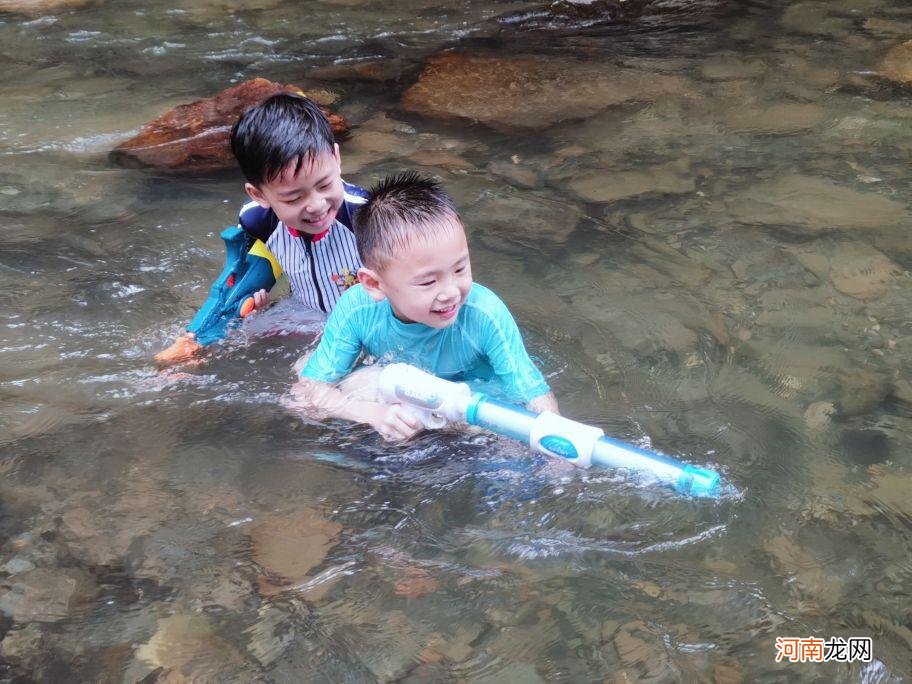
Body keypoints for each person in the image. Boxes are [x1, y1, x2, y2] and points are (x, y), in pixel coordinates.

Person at [288, 171, 559, 441]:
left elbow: (534, 396)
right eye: (428, 282)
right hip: (402, 395)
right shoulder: (358, 310)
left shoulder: (484, 313)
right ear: (374, 284)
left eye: (460, 268)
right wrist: (371, 414)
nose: (451, 292)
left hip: (470, 406)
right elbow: (308, 393)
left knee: (503, 430)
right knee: (326, 378)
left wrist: (552, 442)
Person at [155, 92, 367, 365]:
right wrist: (198, 336)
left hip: (367, 320)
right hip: (306, 313)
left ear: (337, 159)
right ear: (259, 195)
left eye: (325, 185)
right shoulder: (258, 221)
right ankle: (185, 358)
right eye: (294, 198)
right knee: (241, 330)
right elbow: (235, 282)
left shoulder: (368, 216)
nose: (316, 205)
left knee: (310, 389)